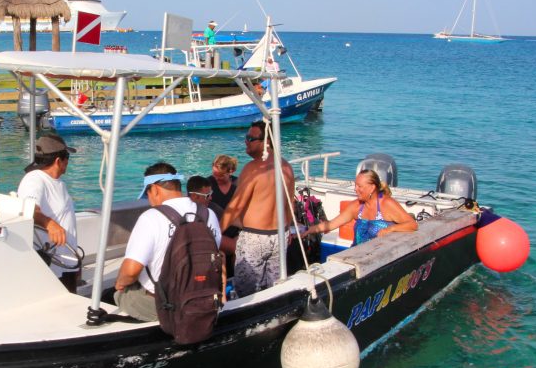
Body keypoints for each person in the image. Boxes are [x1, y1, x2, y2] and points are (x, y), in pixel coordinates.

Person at [114, 163, 222, 321]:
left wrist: (120, 283)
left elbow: (130, 271)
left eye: (148, 193)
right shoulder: (208, 214)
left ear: (155, 189)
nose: (149, 200)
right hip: (201, 295)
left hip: (165, 304)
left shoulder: (150, 217)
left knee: (119, 294)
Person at [220, 121, 296, 296]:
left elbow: (235, 206)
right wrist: (289, 229)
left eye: (250, 138)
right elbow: (289, 202)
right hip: (280, 236)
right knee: (275, 289)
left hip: (255, 239)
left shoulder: (253, 168)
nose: (246, 141)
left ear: (266, 142)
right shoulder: (286, 167)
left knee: (246, 292)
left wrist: (214, 233)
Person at [17, 134, 80, 292]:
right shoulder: (34, 180)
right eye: (67, 158)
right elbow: (30, 209)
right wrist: (50, 224)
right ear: (59, 161)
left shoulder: (59, 183)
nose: (67, 163)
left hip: (66, 261)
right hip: (53, 265)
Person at [303, 169, 417, 246]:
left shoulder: (387, 204)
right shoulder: (356, 206)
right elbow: (331, 224)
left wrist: (389, 229)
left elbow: (412, 225)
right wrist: (308, 231)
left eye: (359, 186)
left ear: (372, 188)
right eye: (355, 185)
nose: (355, 189)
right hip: (356, 255)